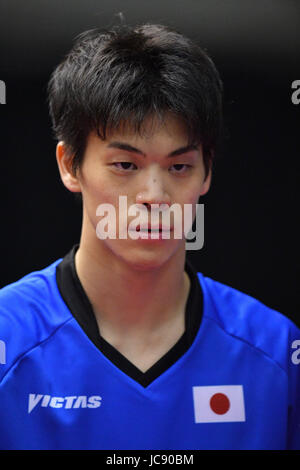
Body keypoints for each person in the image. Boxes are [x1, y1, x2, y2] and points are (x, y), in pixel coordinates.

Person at [0, 21, 299, 451]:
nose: (154, 197)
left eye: (179, 167)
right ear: (69, 165)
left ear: (206, 172)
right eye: (126, 165)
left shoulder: (277, 350)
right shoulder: (9, 339)